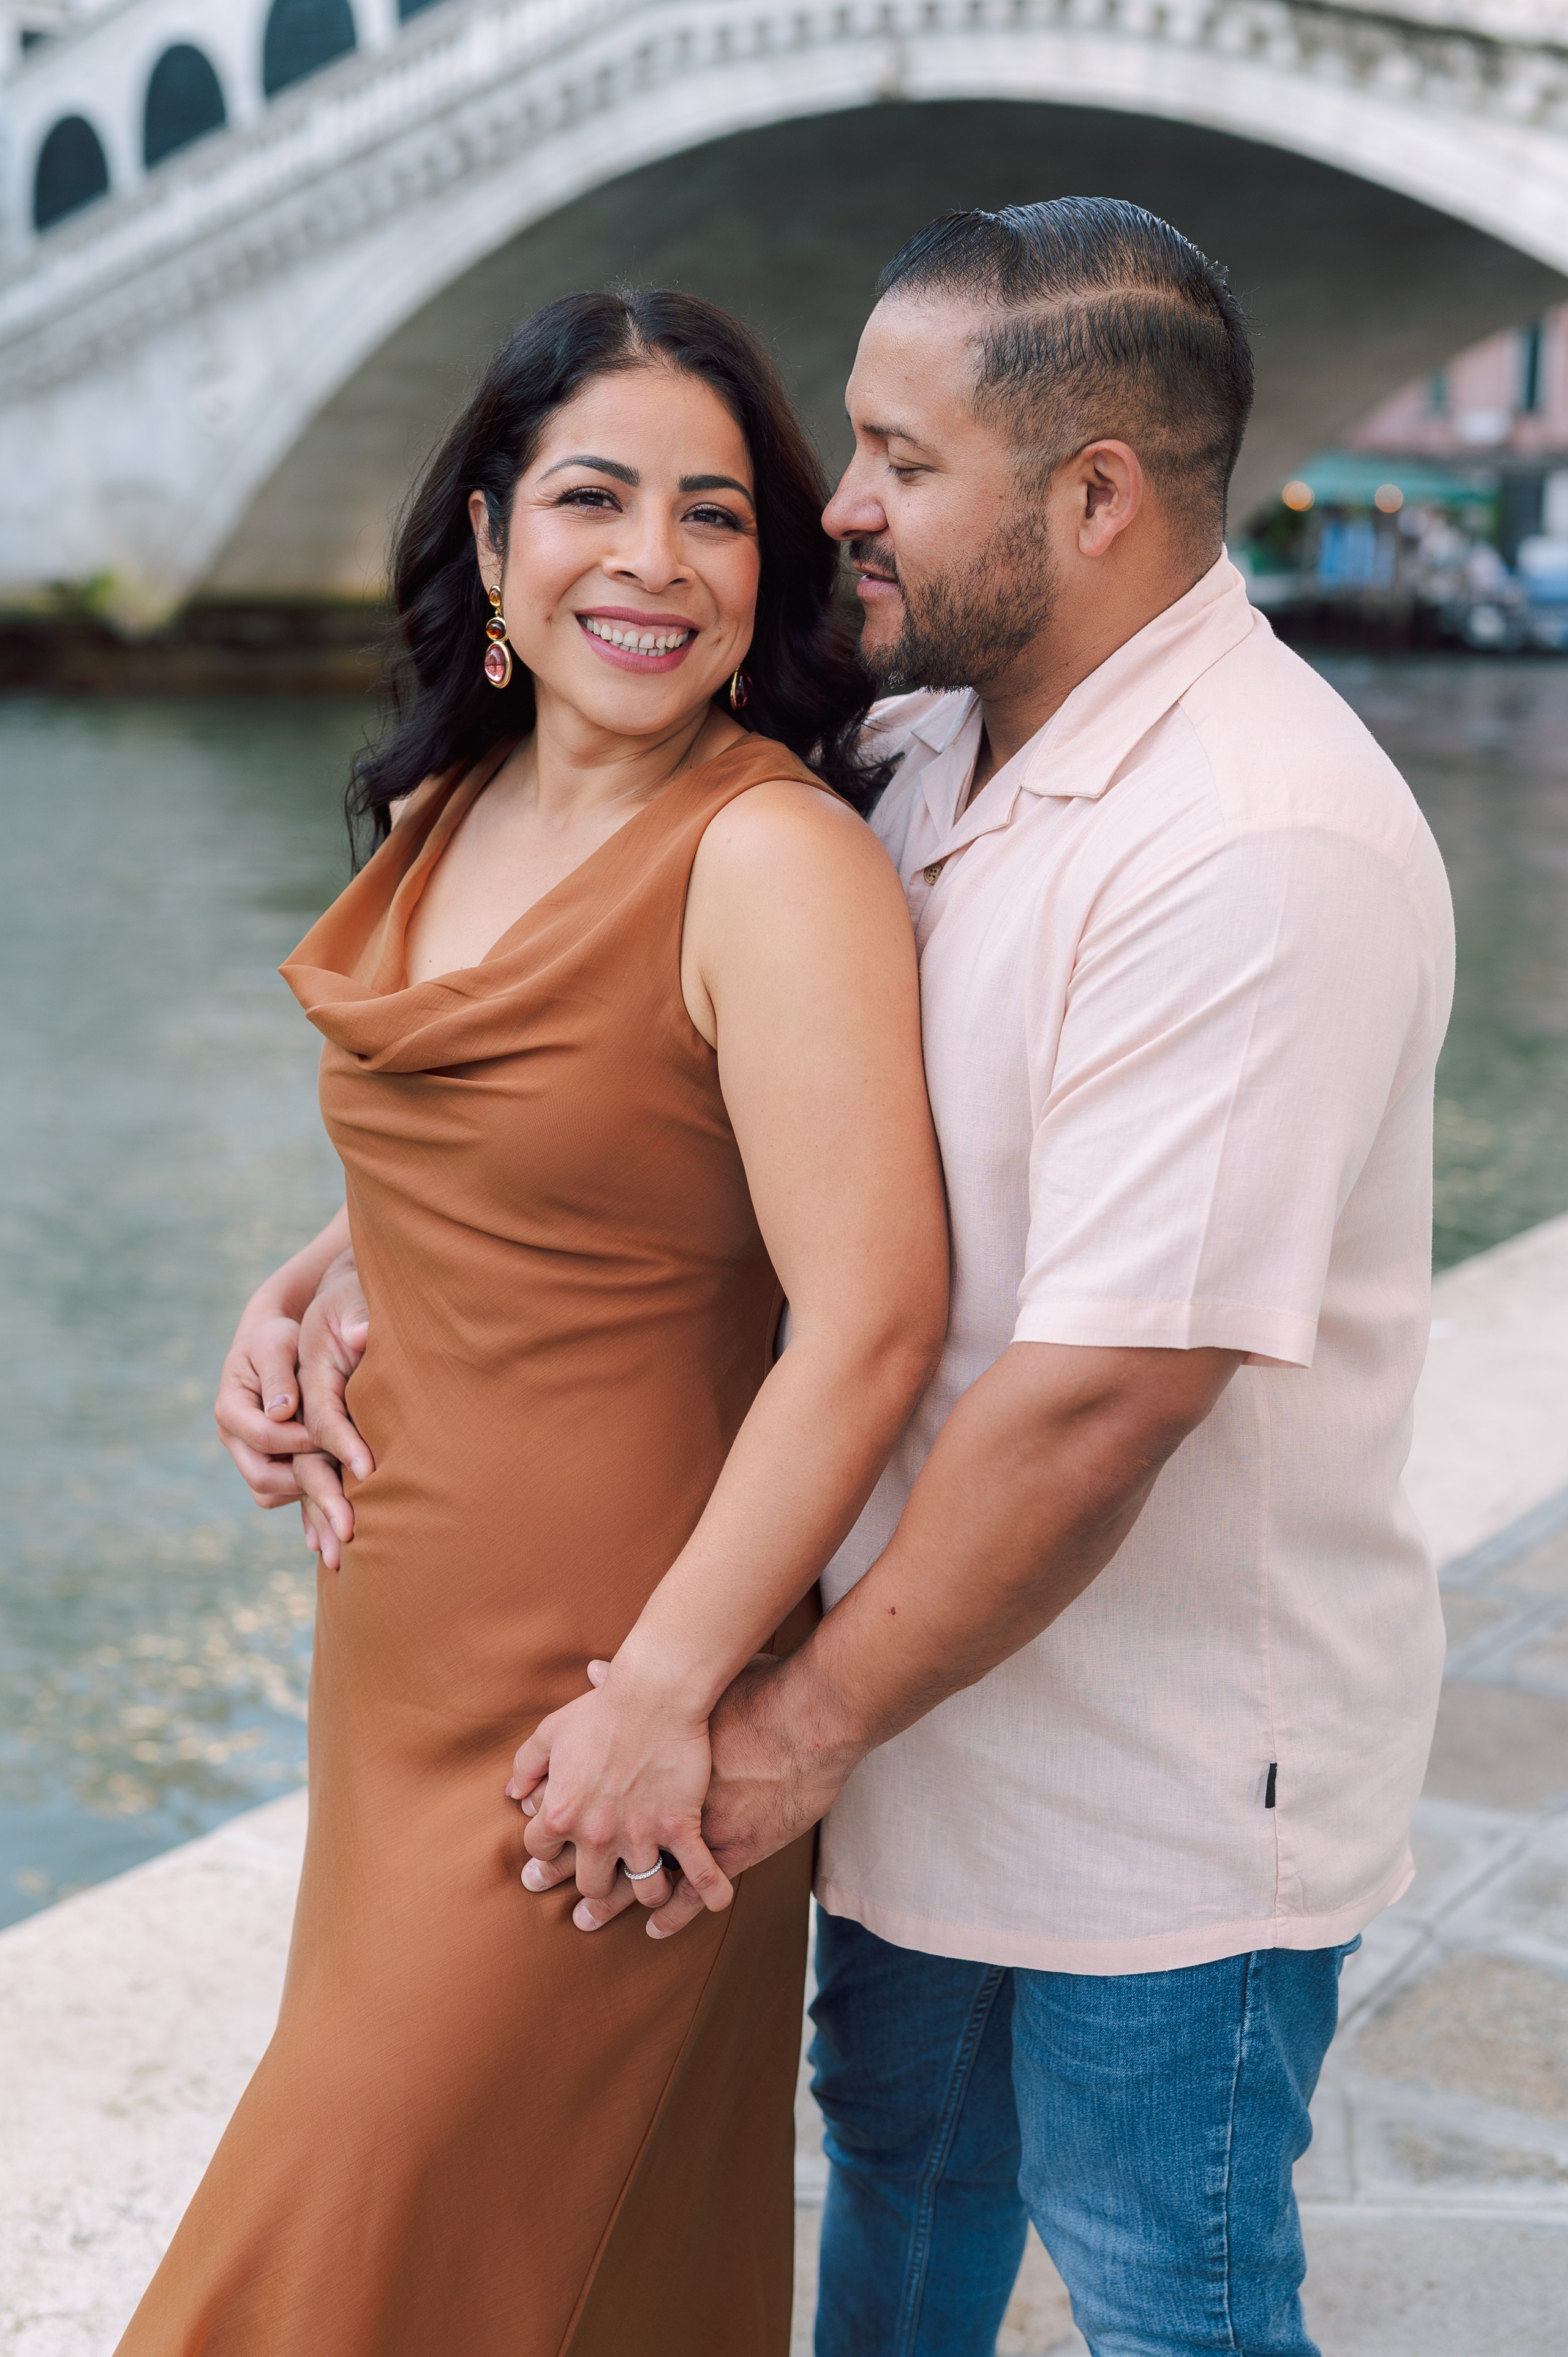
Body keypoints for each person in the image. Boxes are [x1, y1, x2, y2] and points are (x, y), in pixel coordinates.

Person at [230, 202, 1455, 2355]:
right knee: (893, 2224)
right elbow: (649, 1106)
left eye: (893, 458)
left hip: (1136, 1774)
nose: (835, 509)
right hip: (892, 1729)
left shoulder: (1257, 841)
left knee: (1168, 2287)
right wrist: (354, 1262)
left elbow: (1103, 1395)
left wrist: (755, 1725)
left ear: (1093, 498)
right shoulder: (911, 754)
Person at [140, 287, 947, 2357]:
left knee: (341, 2266)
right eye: (594, 498)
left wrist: (672, 1697)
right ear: (494, 544)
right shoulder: (446, 806)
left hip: (598, 1697)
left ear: (768, 570)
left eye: (715, 514)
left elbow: (868, 1318)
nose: (655, 561)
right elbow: (520, 1149)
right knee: (554, 2276)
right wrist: (308, 1286)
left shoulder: (770, 864)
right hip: (388, 1667)